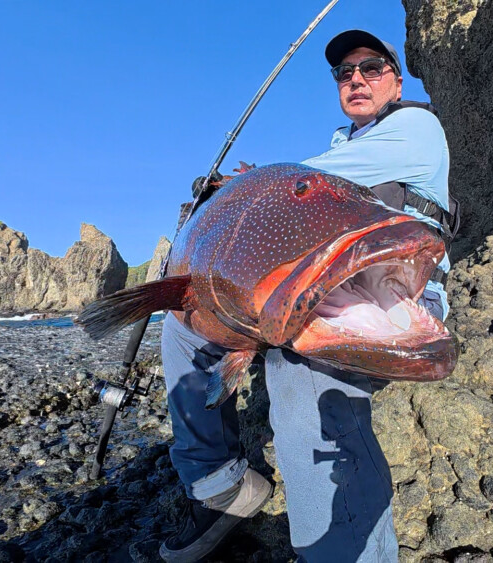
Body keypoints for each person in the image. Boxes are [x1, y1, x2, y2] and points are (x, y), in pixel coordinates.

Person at [159, 29, 451, 562]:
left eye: (371, 68)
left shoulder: (417, 127)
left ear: (397, 80)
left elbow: (306, 178)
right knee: (184, 325)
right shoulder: (340, 145)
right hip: (326, 287)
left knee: (299, 367)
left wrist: (238, 188)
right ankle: (219, 485)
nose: (356, 79)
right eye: (344, 73)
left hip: (394, 295)